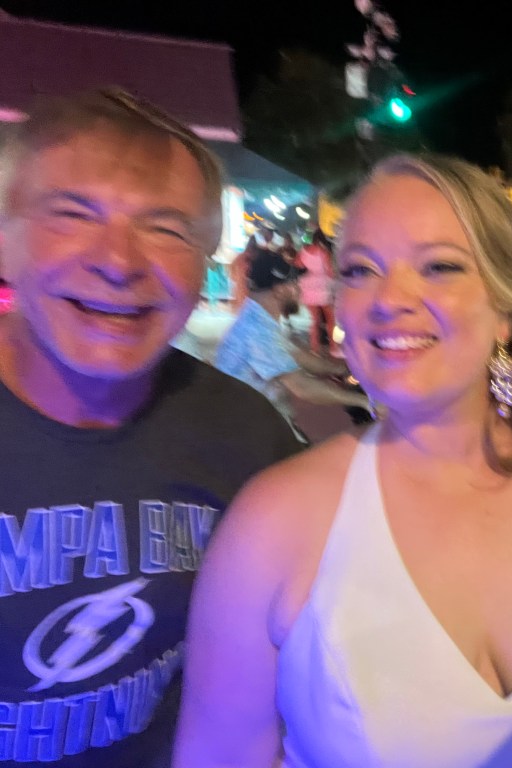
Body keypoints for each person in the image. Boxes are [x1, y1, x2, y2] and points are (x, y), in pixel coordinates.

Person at [173, 154, 512, 768]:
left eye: (440, 266)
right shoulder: (272, 522)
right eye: (360, 270)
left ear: (505, 308)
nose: (390, 298)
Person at [0, 88, 302, 767]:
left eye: (166, 229)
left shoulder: (246, 437)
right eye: (74, 214)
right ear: (5, 240)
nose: (119, 262)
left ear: (207, 266)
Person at [215, 247, 369, 437]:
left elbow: (299, 357)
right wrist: (364, 402)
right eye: (294, 283)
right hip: (248, 432)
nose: (299, 289)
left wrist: (344, 369)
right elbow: (302, 387)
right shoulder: (256, 332)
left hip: (260, 420)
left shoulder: (258, 318)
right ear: (280, 290)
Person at [294, 228, 339, 356]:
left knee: (315, 320)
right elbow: (330, 273)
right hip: (322, 287)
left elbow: (298, 265)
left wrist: (310, 268)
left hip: (308, 286)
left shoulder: (303, 250)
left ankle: (314, 348)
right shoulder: (324, 252)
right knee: (330, 319)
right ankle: (333, 348)